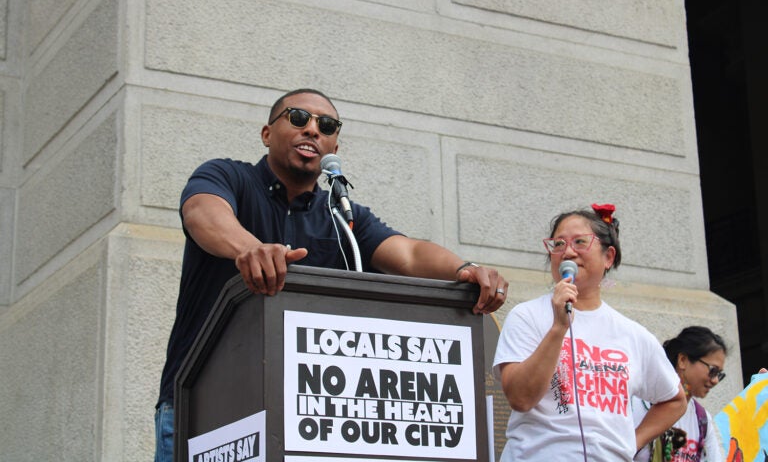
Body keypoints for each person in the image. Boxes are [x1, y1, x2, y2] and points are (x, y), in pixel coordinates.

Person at [154, 88, 509, 462]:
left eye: (326, 126)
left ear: (334, 150)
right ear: (266, 133)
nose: (312, 130)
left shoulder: (342, 216)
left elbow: (409, 253)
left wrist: (464, 269)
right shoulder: (227, 176)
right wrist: (248, 249)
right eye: (298, 118)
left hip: (296, 422)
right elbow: (202, 212)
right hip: (204, 411)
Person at [493, 204, 687, 461]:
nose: (568, 252)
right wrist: (558, 328)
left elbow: (674, 401)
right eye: (558, 244)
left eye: (580, 242)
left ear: (608, 257)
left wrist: (631, 442)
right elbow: (520, 398)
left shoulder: (633, 335)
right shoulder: (527, 316)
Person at [632, 326, 727, 461]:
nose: (715, 380)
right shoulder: (637, 403)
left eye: (719, 374)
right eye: (713, 371)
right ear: (682, 360)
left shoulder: (702, 419)